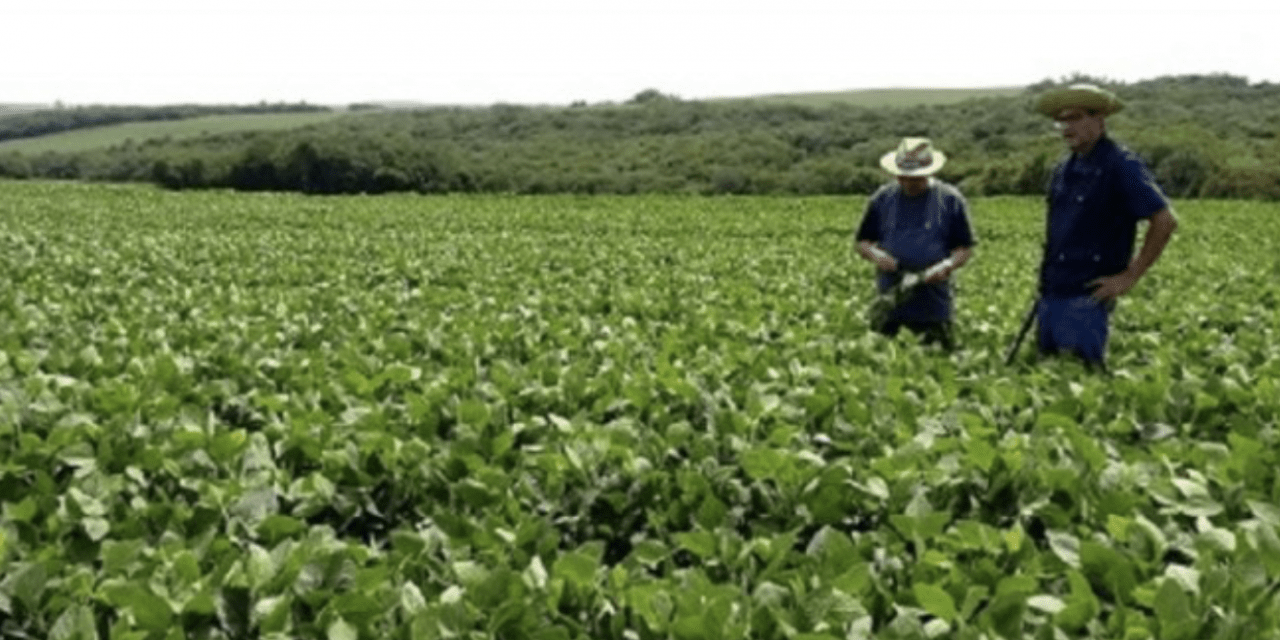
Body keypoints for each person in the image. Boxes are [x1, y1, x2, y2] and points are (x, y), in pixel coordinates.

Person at [1032, 83, 1178, 368]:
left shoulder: (1121, 165)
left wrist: (1129, 276)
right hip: (1052, 292)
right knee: (1047, 380)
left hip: (1087, 297)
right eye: (1061, 120)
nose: (1065, 127)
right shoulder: (1064, 168)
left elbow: (1165, 220)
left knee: (1082, 381)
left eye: (1074, 118)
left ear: (1098, 120)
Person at [855, 137, 976, 349]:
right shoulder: (882, 199)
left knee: (937, 363)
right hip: (891, 301)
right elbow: (862, 242)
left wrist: (946, 266)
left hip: (934, 303)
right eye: (903, 177)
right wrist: (877, 255)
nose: (908, 183)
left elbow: (964, 248)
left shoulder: (950, 200)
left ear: (930, 173)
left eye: (916, 178)